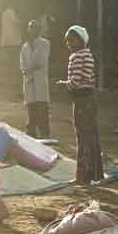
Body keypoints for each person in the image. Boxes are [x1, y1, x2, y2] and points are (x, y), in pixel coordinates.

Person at [58, 25, 103, 184]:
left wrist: (63, 84)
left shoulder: (77, 56)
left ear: (81, 40)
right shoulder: (88, 55)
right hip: (90, 99)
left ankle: (83, 176)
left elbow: (75, 82)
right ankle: (92, 173)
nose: (69, 43)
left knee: (82, 137)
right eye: (67, 41)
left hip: (82, 100)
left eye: (72, 39)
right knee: (90, 136)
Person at [19, 20, 50, 138]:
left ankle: (45, 132)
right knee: (31, 107)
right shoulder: (25, 46)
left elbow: (41, 61)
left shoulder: (45, 43)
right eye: (31, 28)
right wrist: (27, 71)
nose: (33, 30)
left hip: (39, 79)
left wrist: (28, 69)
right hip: (28, 79)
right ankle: (31, 132)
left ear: (39, 30)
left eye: (35, 28)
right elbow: (22, 64)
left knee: (42, 107)